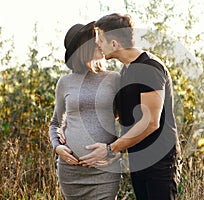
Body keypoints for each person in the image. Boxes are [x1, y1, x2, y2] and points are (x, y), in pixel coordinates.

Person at [79, 13, 182, 200]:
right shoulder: (126, 70)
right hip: (138, 158)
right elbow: (119, 114)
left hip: (160, 161)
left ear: (114, 44)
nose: (98, 45)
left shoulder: (149, 67)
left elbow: (151, 122)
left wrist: (111, 149)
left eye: (100, 40)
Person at [49, 21, 121, 200]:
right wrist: (57, 147)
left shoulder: (114, 79)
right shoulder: (64, 83)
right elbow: (55, 124)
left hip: (104, 171)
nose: (99, 43)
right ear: (83, 47)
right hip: (71, 172)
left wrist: (115, 151)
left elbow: (127, 122)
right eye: (95, 39)